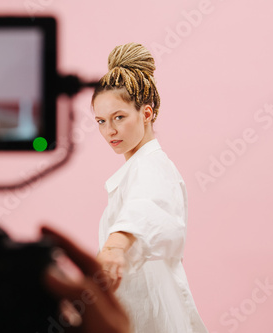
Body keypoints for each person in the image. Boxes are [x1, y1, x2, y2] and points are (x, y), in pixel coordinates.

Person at [92, 42, 209, 332]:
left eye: (119, 117)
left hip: (154, 316)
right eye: (101, 121)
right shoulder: (136, 167)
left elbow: (147, 206)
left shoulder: (152, 166)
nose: (110, 130)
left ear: (146, 114)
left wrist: (115, 246)